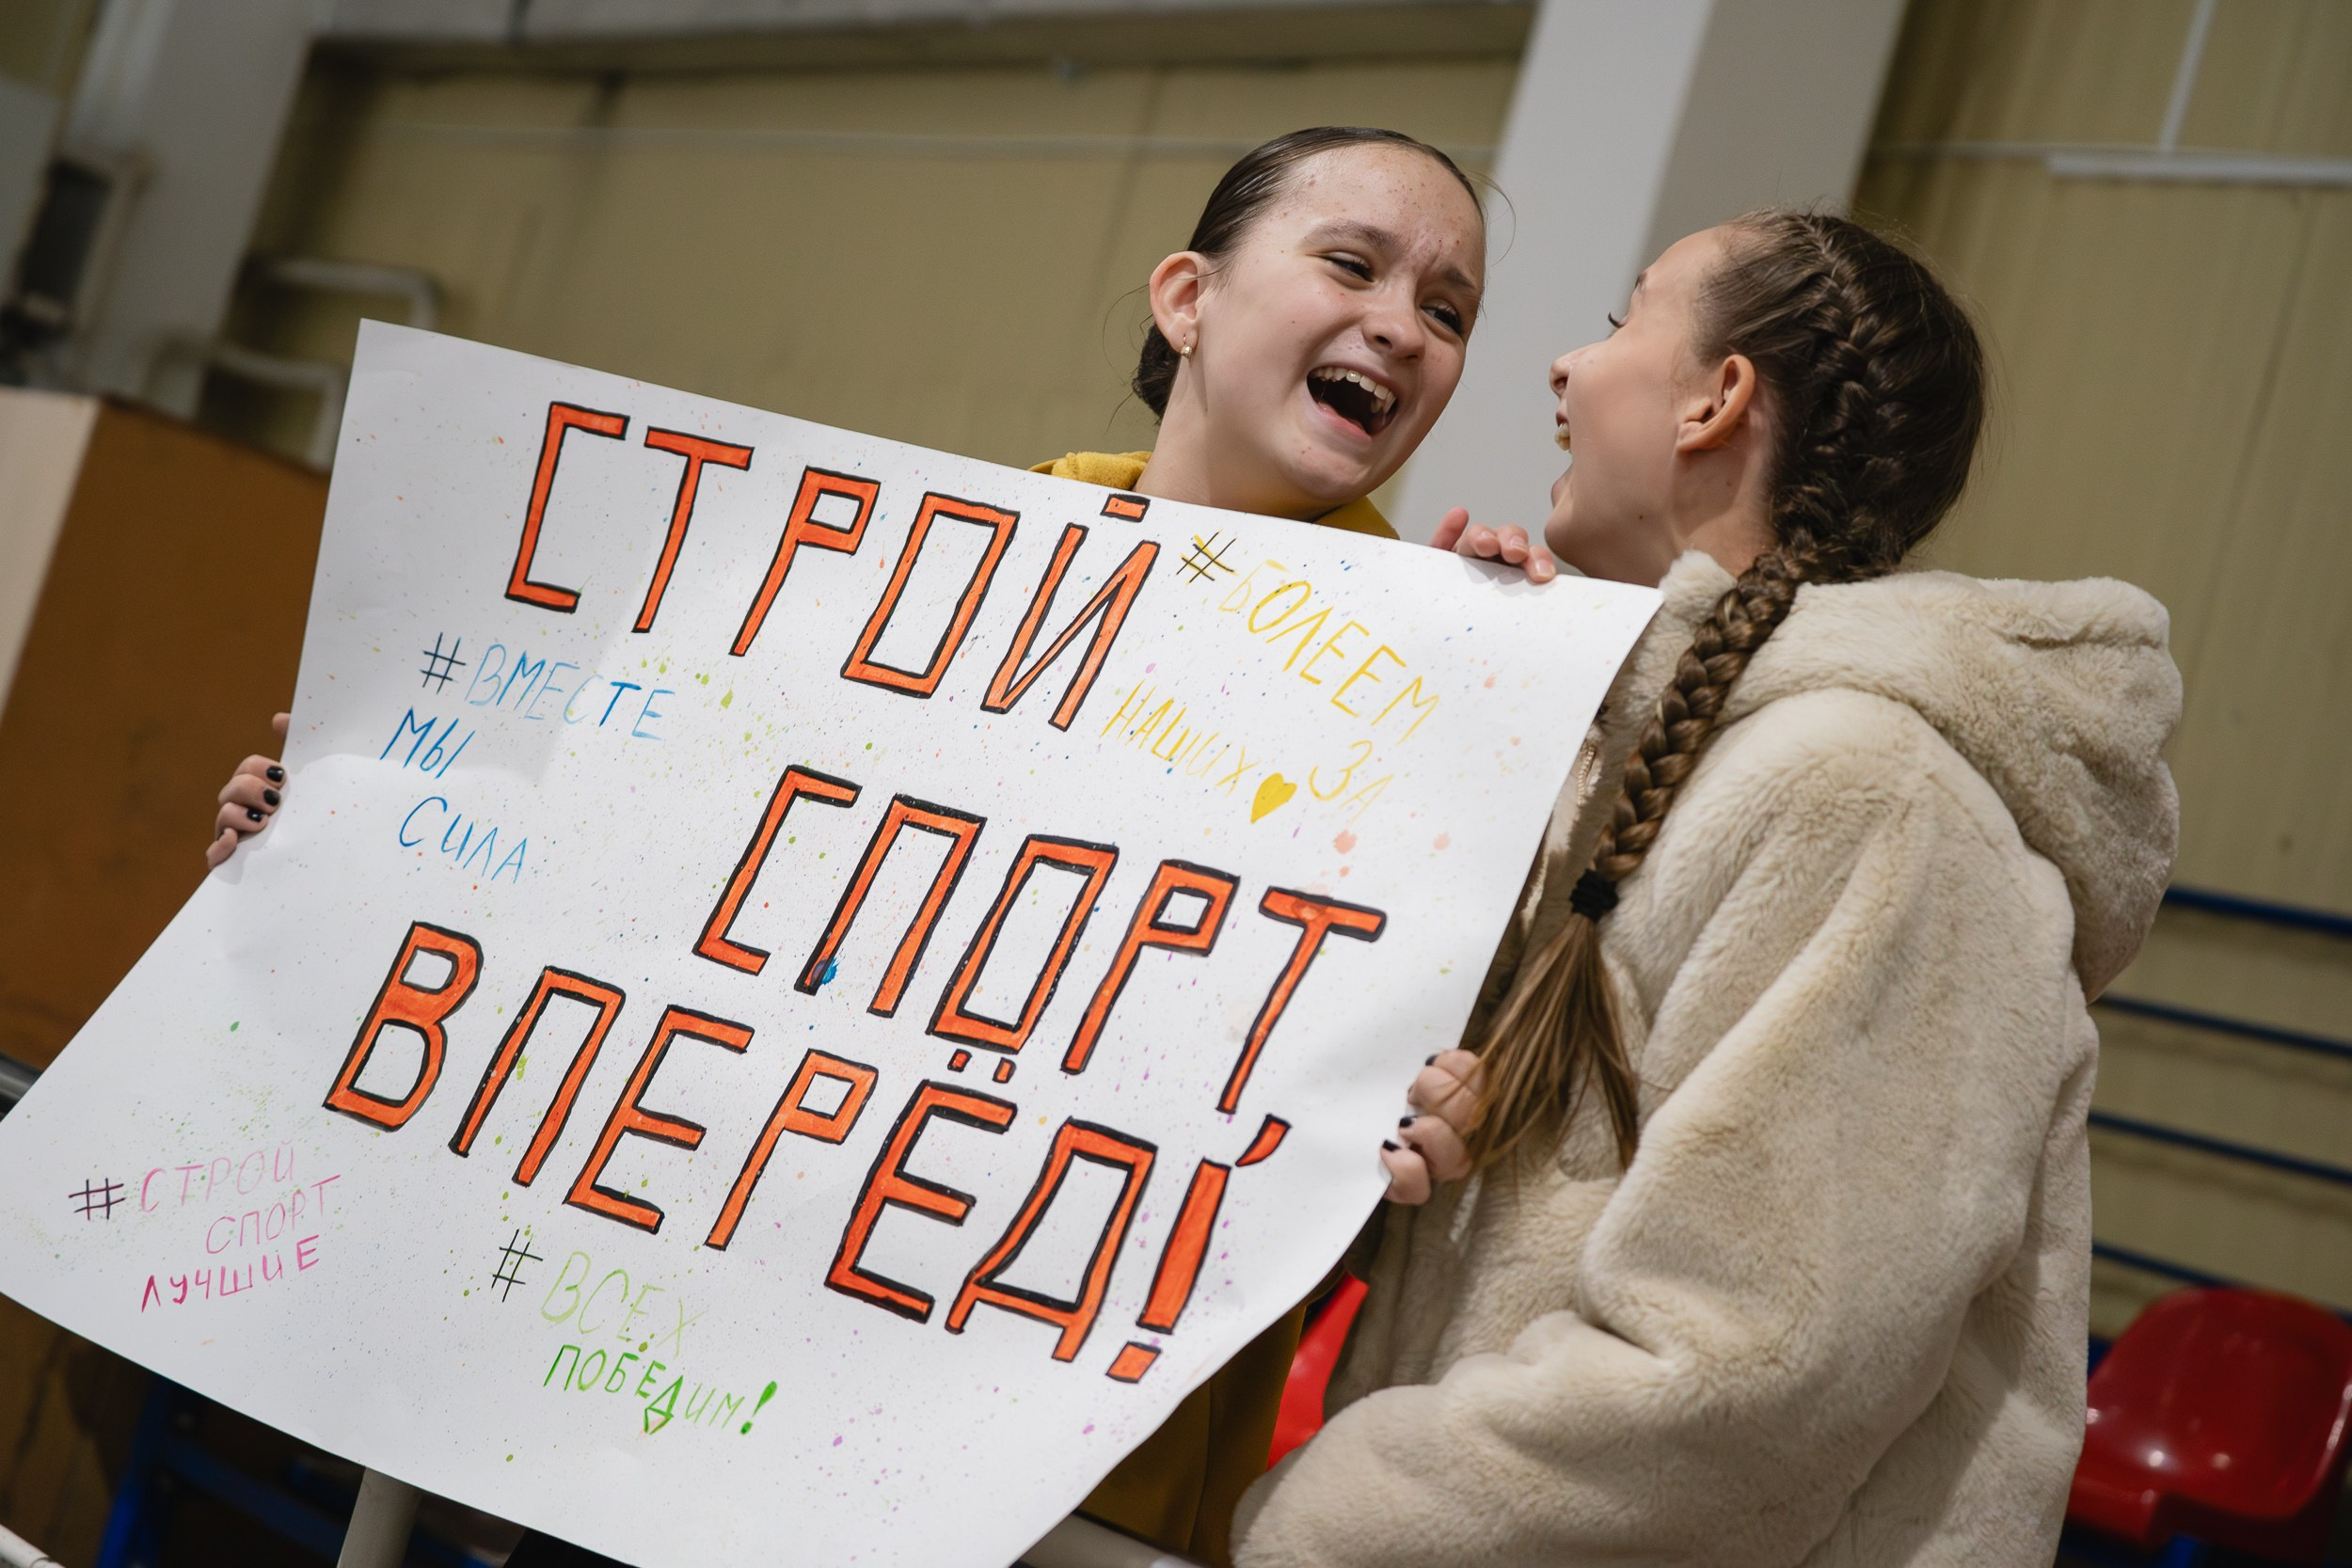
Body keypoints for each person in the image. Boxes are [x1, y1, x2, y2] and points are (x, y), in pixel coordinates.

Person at [203, 127, 1492, 1568]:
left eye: (1449, 312)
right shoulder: (904, 578)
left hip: (1034, 1482)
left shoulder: (1466, 702)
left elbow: (1400, 1114)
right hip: (703, 1389)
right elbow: (636, 875)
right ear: (1188, 298)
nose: (1402, 325)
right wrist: (348, 840)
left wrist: (1433, 1117)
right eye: (1352, 263)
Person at [1238, 212, 2179, 1566]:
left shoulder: (1872, 796)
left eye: (1623, 321)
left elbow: (1745, 1372)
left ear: (1716, 399)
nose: (1565, 365)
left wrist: (1321, 1528)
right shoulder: (1657, 762)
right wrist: (1458, 729)